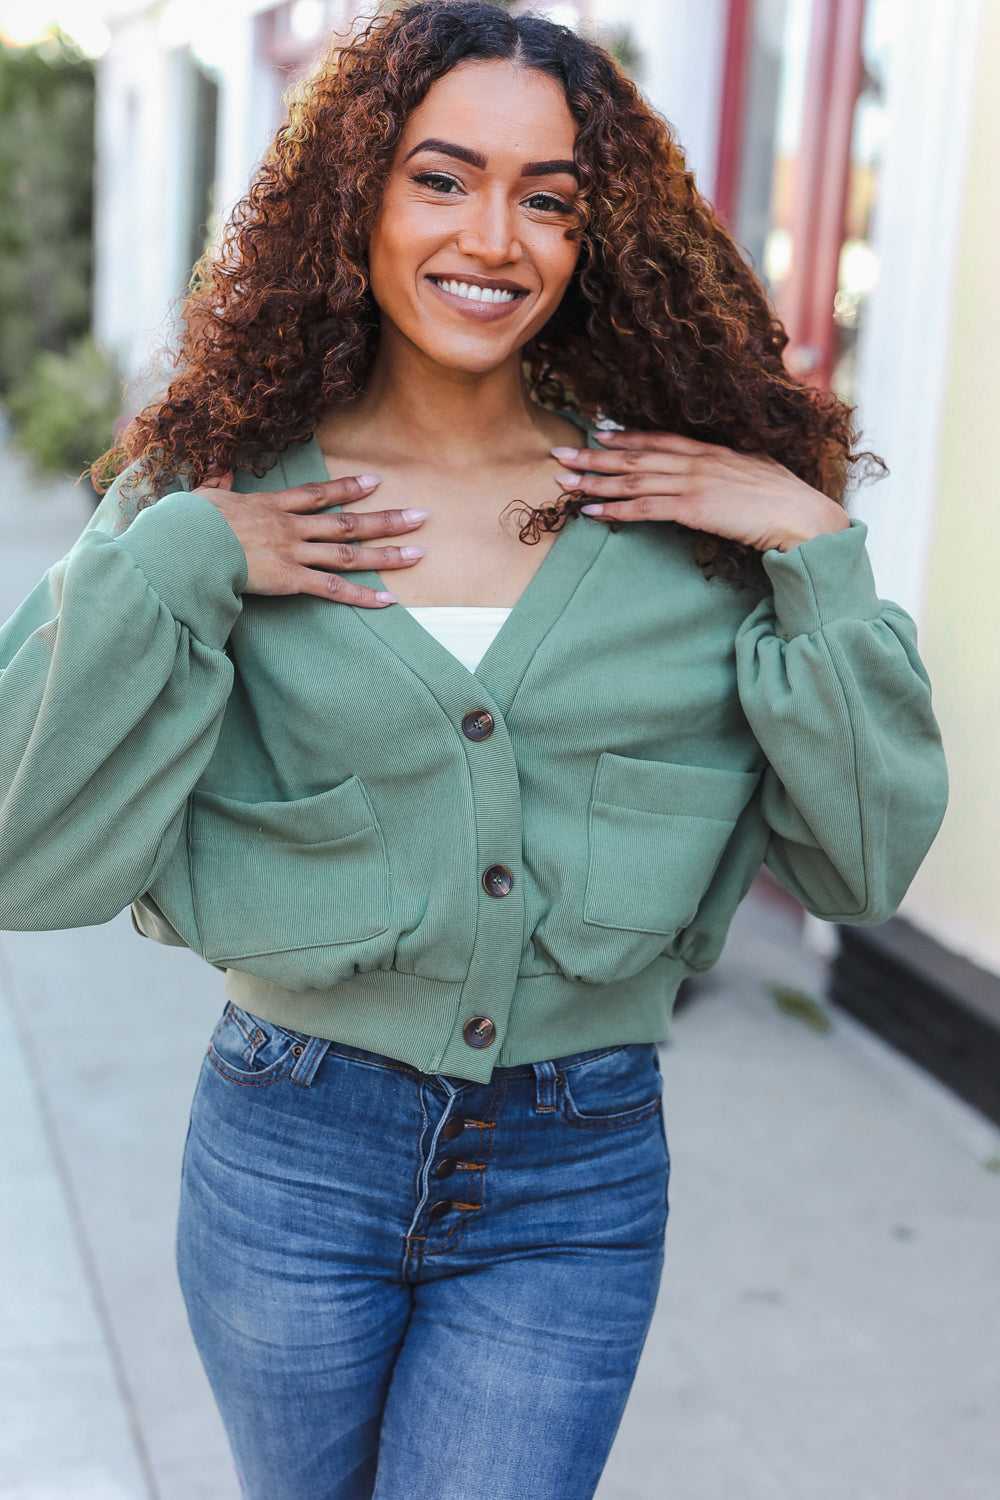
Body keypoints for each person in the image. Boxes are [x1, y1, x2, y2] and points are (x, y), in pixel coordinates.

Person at [0, 3, 947, 1497]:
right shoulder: (221, 491)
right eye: (441, 178)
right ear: (356, 197)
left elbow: (867, 862)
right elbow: (19, 839)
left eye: (548, 197)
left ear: (593, 236)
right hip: (288, 1149)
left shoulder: (685, 518)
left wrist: (817, 547)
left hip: (575, 1174)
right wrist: (183, 556)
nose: (493, 236)